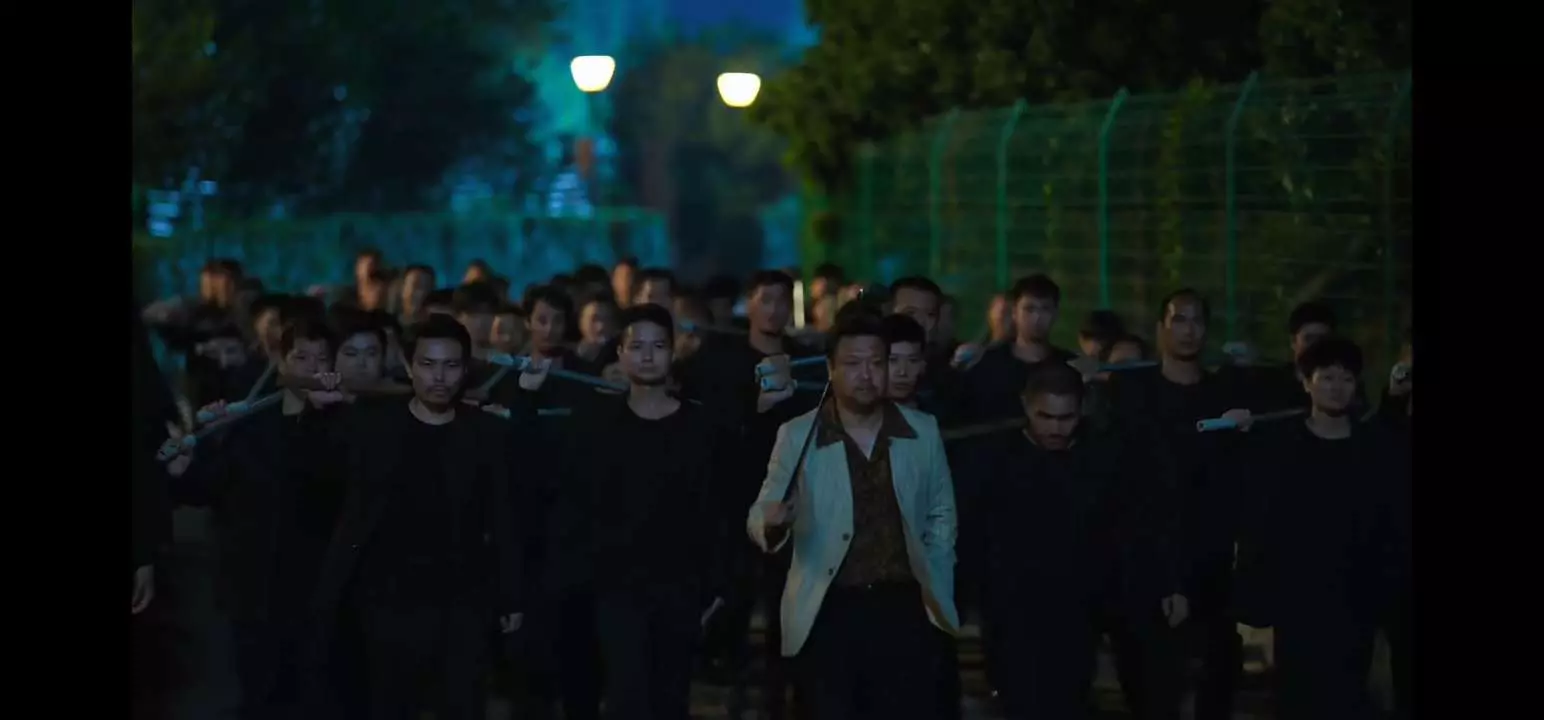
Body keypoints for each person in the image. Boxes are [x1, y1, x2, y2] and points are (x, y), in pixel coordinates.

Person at [306, 315, 526, 720]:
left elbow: (503, 517)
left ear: (465, 369)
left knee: (463, 704)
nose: (439, 377)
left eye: (450, 365)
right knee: (391, 704)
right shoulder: (373, 427)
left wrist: (511, 594)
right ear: (409, 366)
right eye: (427, 364)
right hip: (388, 598)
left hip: (463, 598)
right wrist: (321, 412)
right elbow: (325, 488)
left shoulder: (486, 434)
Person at [746, 307, 959, 720]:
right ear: (831, 369)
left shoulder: (921, 430)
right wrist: (771, 522)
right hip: (829, 607)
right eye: (853, 364)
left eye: (876, 363)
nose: (866, 375)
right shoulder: (799, 434)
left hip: (904, 606)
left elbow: (941, 512)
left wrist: (937, 572)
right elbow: (763, 508)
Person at [549, 304, 733, 719]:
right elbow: (574, 503)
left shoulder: (701, 427)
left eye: (658, 346)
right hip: (616, 586)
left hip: (681, 585)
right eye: (637, 346)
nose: (647, 356)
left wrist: (718, 585)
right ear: (620, 353)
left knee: (671, 698)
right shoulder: (595, 424)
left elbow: (716, 510)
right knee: (626, 696)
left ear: (673, 352)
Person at [974, 364, 1183, 720]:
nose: (1056, 428)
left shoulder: (1102, 460)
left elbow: (1131, 528)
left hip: (1079, 613)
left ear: (1082, 408)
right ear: (1026, 405)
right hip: (1014, 613)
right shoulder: (996, 462)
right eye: (1045, 416)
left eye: (1066, 417)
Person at [164, 317, 345, 720]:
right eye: (301, 358)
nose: (312, 368)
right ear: (281, 362)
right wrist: (184, 467)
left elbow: (335, 481)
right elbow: (210, 487)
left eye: (321, 359)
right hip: (252, 581)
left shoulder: (341, 420)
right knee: (258, 687)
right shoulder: (251, 419)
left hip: (314, 583)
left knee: (312, 692)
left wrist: (325, 415)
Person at [1233, 336, 1410, 720]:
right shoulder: (1281, 446)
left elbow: (1390, 529)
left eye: (1346, 378)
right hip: (1296, 601)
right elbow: (1261, 523)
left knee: (1348, 697)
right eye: (1327, 377)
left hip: (1356, 602)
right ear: (1306, 381)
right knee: (1297, 698)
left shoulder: (1375, 449)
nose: (1337, 387)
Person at [959, 274, 1078, 422]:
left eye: (1045, 309)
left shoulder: (1069, 367)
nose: (1037, 318)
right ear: (1014, 312)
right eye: (1029, 309)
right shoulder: (985, 363)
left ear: (1055, 313)